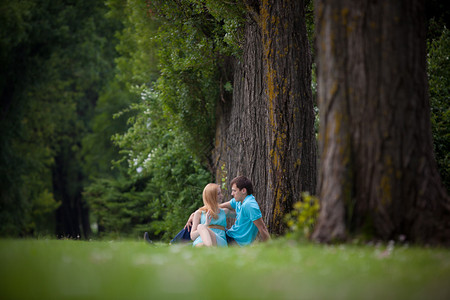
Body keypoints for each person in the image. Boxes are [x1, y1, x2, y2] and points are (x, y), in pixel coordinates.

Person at [186, 176, 270, 246]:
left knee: (202, 228)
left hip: (236, 241)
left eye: (234, 191)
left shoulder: (249, 205)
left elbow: (262, 228)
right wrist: (196, 213)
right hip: (230, 235)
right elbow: (216, 206)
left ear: (243, 191)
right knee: (200, 237)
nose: (231, 194)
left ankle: (208, 250)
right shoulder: (238, 200)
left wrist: (271, 248)